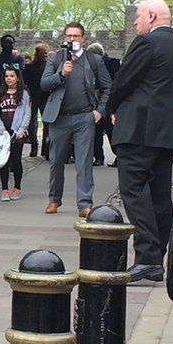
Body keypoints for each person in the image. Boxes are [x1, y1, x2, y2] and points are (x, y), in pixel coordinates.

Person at [106, 0, 173, 283]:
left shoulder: (147, 44)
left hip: (139, 131)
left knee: (133, 190)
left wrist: (112, 108)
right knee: (158, 197)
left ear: (152, 16)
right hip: (166, 133)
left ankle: (147, 257)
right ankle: (156, 258)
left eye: (138, 17)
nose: (135, 23)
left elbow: (123, 81)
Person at [39, 22, 112, 217]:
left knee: (84, 162)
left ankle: (85, 204)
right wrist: (61, 74)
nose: (72, 39)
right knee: (56, 161)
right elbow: (44, 84)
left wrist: (99, 112)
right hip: (59, 118)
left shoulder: (94, 60)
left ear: (83, 39)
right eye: (69, 36)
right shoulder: (55, 58)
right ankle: (54, 199)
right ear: (64, 38)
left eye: (76, 36)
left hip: (84, 117)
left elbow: (108, 88)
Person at [0, 68, 31, 201]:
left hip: (17, 131)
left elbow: (27, 113)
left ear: (17, 78)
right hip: (3, 131)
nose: (9, 78)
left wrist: (22, 129)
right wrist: (0, 127)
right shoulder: (0, 94)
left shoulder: (24, 94)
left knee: (16, 160)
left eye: (12, 76)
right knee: (4, 161)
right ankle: (4, 189)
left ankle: (17, 187)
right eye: (7, 76)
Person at [86, 42, 116, 167]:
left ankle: (111, 156)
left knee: (110, 130)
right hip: (97, 102)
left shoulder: (112, 63)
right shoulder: (89, 65)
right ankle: (98, 157)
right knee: (98, 131)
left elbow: (113, 82)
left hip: (108, 101)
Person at [22, 43, 50, 158]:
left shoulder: (29, 67)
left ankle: (35, 147)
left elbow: (24, 82)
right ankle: (44, 148)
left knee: (32, 122)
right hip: (43, 96)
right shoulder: (48, 67)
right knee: (45, 123)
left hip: (34, 96)